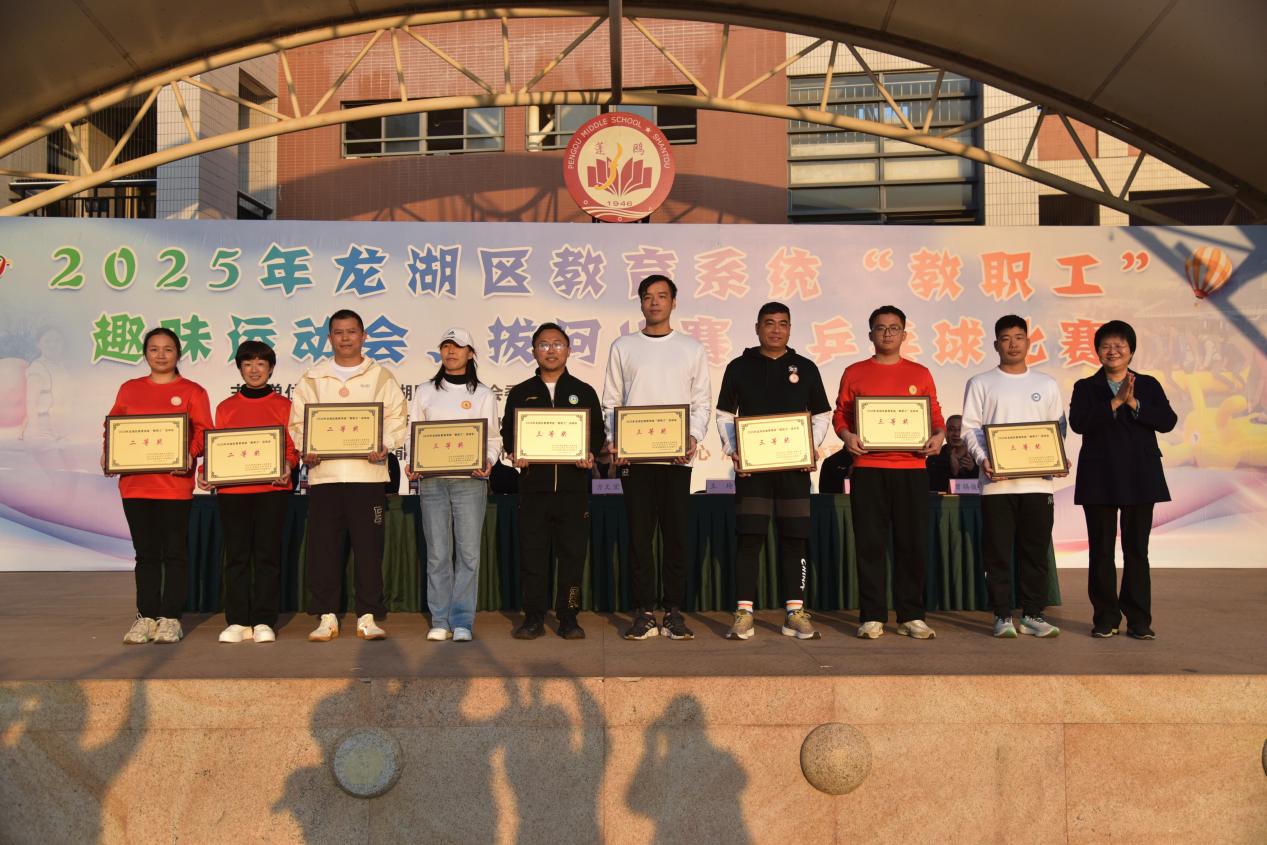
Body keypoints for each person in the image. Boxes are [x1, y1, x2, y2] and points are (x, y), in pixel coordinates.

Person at [601, 274, 712, 640]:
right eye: (648, 296)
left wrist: (692, 437)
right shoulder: (623, 346)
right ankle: (644, 612)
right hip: (635, 462)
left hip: (676, 461)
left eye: (662, 296)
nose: (654, 302)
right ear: (640, 303)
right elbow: (611, 401)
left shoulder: (691, 348)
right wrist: (616, 442)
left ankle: (674, 611)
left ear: (673, 303)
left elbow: (701, 402)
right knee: (639, 540)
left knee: (676, 538)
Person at [715, 302, 832, 641]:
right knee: (749, 538)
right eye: (769, 323)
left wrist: (810, 446)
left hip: (794, 470)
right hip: (753, 472)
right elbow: (724, 414)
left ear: (790, 328)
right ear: (757, 328)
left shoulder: (806, 367)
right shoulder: (739, 367)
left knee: (795, 539)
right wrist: (734, 450)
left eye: (783, 323)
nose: (776, 329)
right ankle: (744, 613)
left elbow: (821, 414)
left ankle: (794, 612)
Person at [289, 310, 408, 643]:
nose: (345, 338)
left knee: (369, 549)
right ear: (329, 338)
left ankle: (367, 615)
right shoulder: (313, 377)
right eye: (338, 332)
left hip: (367, 476)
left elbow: (397, 417)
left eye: (352, 331)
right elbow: (297, 423)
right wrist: (306, 447)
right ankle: (327, 616)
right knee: (324, 549)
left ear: (364, 336)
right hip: (324, 477)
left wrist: (385, 444)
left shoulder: (381, 376)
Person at [832, 305, 945, 640]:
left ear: (904, 334)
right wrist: (846, 436)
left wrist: (939, 435)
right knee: (870, 544)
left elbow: (935, 415)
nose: (887, 333)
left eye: (894, 328)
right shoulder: (854, 372)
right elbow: (841, 414)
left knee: (912, 544)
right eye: (880, 328)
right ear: (870, 334)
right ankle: (871, 616)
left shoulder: (920, 373)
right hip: (869, 469)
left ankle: (911, 615)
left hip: (912, 469)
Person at [960, 315, 1067, 639]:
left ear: (1028, 342)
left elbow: (1057, 428)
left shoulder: (1046, 384)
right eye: (1006, 338)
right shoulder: (980, 382)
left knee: (1035, 551)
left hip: (1038, 484)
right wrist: (984, 459)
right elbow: (970, 429)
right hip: (997, 485)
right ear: (996, 344)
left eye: (1019, 337)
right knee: (998, 553)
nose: (1013, 344)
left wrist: (1057, 456)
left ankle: (1033, 615)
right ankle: (1002, 615)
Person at [1069, 320, 1177, 639]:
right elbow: (1078, 423)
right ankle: (1106, 617)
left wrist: (1133, 403)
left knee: (1136, 551)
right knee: (1101, 551)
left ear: (1131, 351)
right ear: (1097, 351)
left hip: (1140, 476)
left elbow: (1167, 421)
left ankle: (1139, 620)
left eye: (1120, 345)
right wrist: (1115, 402)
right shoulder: (1085, 387)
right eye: (1106, 346)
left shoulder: (1148, 384)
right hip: (1099, 478)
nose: (1113, 351)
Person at [106, 327, 212, 645]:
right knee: (146, 554)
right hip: (135, 486)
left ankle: (170, 618)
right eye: (154, 349)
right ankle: (146, 616)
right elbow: (113, 426)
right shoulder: (129, 389)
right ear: (145, 354)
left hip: (173, 486)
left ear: (178, 353)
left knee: (175, 553)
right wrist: (108, 453)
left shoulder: (193, 391)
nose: (161, 355)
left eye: (168, 349)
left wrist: (189, 454)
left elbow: (203, 431)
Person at [502, 322, 605, 640]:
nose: (551, 350)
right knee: (532, 557)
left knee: (572, 558)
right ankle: (533, 617)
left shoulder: (583, 391)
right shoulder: (521, 392)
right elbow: (508, 432)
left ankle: (569, 616)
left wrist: (589, 453)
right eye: (544, 344)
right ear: (534, 351)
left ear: (568, 350)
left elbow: (597, 433)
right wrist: (515, 453)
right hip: (533, 490)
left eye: (557, 344)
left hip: (573, 490)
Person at [198, 341, 299, 644]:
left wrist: (288, 464)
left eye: (261, 364)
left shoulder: (285, 406)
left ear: (271, 368)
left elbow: (293, 448)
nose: (254, 370)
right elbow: (216, 448)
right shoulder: (225, 408)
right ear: (240, 368)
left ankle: (264, 620)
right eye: (248, 364)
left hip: (272, 490)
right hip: (233, 492)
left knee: (268, 556)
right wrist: (206, 472)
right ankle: (238, 620)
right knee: (237, 557)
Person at [409, 327, 502, 643]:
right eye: (446, 346)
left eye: (458, 347)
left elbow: (493, 438)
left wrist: (487, 460)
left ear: (470, 354)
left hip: (470, 482)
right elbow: (413, 433)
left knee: (468, 554)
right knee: (437, 553)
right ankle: (439, 619)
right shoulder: (424, 391)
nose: (451, 352)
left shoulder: (484, 395)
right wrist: (414, 461)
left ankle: (462, 620)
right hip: (432, 482)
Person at [925, 414, 978, 492]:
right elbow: (932, 487)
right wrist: (954, 473)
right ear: (945, 433)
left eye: (960, 429)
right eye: (951, 429)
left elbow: (983, 487)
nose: (956, 434)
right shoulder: (934, 458)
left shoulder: (977, 456)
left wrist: (973, 469)